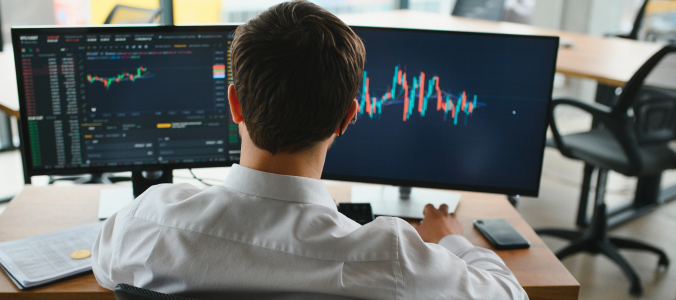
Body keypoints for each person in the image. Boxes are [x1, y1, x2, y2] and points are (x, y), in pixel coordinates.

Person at [92, 1, 527, 299]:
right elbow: (509, 294)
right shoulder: (391, 257)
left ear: (234, 104)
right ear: (347, 118)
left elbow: (103, 267)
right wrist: (454, 243)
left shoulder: (145, 221)